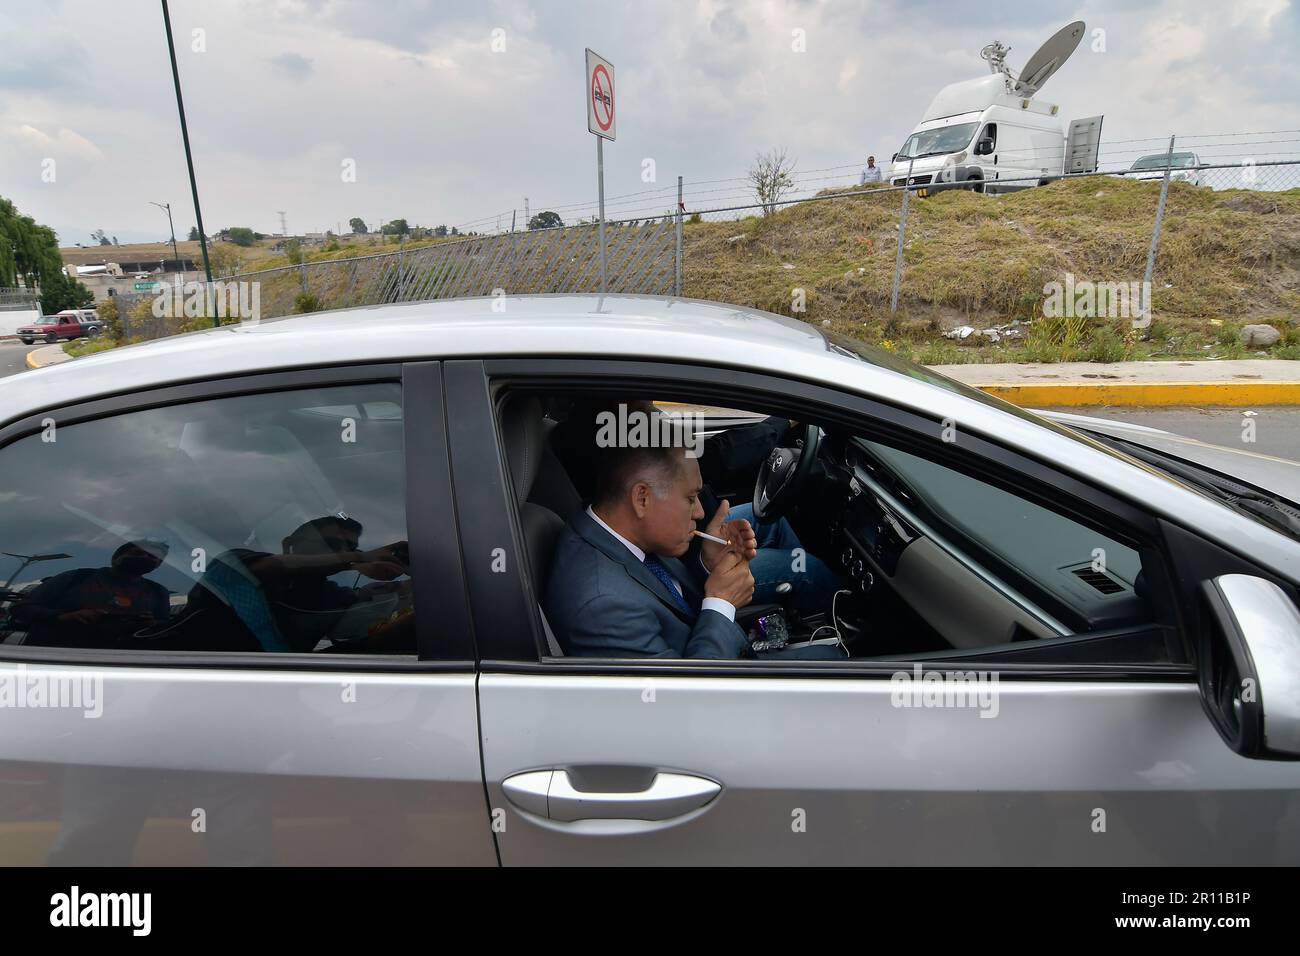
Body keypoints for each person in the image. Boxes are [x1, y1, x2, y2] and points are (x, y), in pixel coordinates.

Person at [544, 441, 843, 660]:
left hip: (708, 642)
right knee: (837, 659)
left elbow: (666, 591)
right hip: (718, 678)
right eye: (690, 498)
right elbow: (683, 709)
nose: (700, 511)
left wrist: (705, 563)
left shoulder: (617, 530)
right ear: (642, 499)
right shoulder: (604, 608)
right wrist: (722, 604)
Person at [13, 540, 172, 648]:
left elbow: (165, 627)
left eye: (153, 557)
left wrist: (151, 625)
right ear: (116, 558)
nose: (145, 558)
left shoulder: (158, 592)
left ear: (158, 565)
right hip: (52, 657)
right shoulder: (76, 577)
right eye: (137, 553)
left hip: (124, 660)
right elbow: (21, 608)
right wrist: (63, 617)